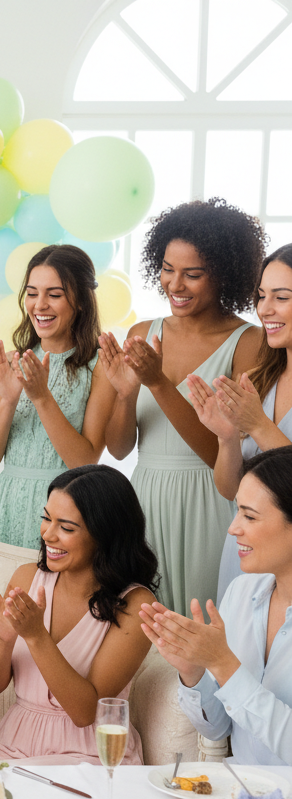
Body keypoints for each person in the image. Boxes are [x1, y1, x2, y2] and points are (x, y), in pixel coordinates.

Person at [100, 198, 265, 614]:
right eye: (168, 270)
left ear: (224, 274)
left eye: (192, 274)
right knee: (140, 627)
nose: (175, 285)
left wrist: (157, 383)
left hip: (211, 503)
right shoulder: (143, 332)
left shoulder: (248, 343)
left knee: (201, 626)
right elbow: (119, 449)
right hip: (145, 498)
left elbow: (218, 455)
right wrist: (124, 394)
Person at [0, 465, 157, 765]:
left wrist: (35, 636)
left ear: (105, 534)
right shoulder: (26, 578)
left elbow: (85, 713)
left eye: (66, 527)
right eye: (46, 518)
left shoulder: (136, 605)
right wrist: (5, 639)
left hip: (90, 753)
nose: (48, 534)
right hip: (14, 745)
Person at [140, 447, 292, 765]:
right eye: (237, 511)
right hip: (241, 794)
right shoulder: (242, 593)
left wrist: (223, 664)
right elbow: (218, 729)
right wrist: (193, 670)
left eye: (249, 516)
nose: (233, 528)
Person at [0, 244, 116, 550]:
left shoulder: (100, 367)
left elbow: (84, 460)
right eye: (32, 293)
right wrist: (8, 401)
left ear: (79, 300)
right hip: (8, 505)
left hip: (65, 512)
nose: (40, 305)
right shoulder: (10, 363)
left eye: (54, 295)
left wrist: (42, 398)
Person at [188, 244, 292, 601]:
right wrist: (227, 437)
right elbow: (231, 490)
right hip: (244, 555)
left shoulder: (255, 407)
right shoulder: (262, 380)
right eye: (261, 296)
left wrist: (259, 425)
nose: (265, 309)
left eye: (281, 297)